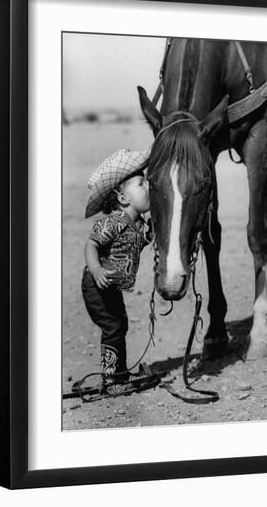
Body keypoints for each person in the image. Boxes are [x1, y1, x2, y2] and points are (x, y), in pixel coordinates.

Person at [80, 148, 153, 396]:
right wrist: (97, 268)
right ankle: (112, 379)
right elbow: (92, 245)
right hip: (96, 282)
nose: (148, 187)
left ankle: (118, 373)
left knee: (119, 325)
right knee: (113, 327)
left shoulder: (140, 224)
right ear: (123, 199)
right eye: (142, 184)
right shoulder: (114, 221)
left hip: (111, 286)